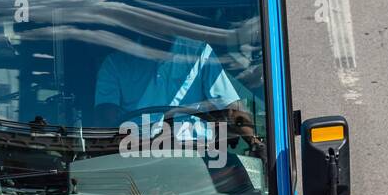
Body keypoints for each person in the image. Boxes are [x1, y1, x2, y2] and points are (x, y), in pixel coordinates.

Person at [93, 35, 264, 155]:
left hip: (197, 153)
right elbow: (107, 116)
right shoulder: (116, 63)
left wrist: (254, 143)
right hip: (138, 153)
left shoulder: (199, 53)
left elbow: (230, 108)